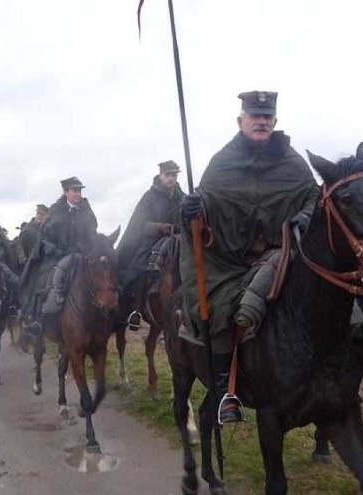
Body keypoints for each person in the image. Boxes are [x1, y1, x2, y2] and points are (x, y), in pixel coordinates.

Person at [180, 91, 319, 422]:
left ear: (274, 122)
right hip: (228, 262)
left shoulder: (293, 162)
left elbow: (315, 197)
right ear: (240, 121)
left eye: (267, 117)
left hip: (282, 256)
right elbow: (205, 208)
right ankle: (223, 391)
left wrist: (306, 215)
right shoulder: (221, 163)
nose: (261, 121)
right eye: (255, 117)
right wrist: (190, 211)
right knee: (220, 308)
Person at [20, 176, 98, 335]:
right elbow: (45, 239)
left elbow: (92, 235)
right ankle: (39, 319)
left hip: (82, 256)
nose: (77, 194)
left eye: (79, 191)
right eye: (74, 191)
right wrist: (57, 251)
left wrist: (89, 250)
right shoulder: (55, 211)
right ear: (65, 192)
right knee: (48, 279)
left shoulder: (87, 212)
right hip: (58, 256)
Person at [117, 160, 185, 330]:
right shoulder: (149, 197)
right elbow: (139, 225)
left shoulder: (182, 196)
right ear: (161, 175)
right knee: (140, 268)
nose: (171, 178)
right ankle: (136, 309)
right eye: (168, 175)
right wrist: (159, 227)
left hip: (179, 239)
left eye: (174, 175)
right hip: (153, 239)